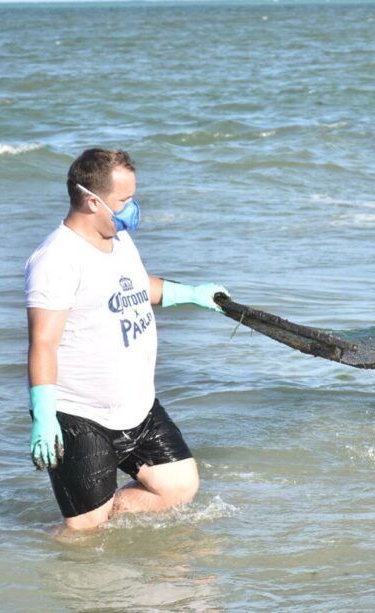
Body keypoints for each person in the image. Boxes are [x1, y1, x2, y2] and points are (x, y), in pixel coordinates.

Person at [24, 148, 229, 531]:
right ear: (91, 200)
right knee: (83, 532)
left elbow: (137, 286)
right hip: (82, 414)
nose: (132, 209)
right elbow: (43, 343)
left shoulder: (117, 238)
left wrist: (191, 294)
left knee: (178, 486)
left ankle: (107, 522)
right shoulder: (56, 259)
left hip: (137, 407)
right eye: (125, 201)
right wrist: (45, 415)